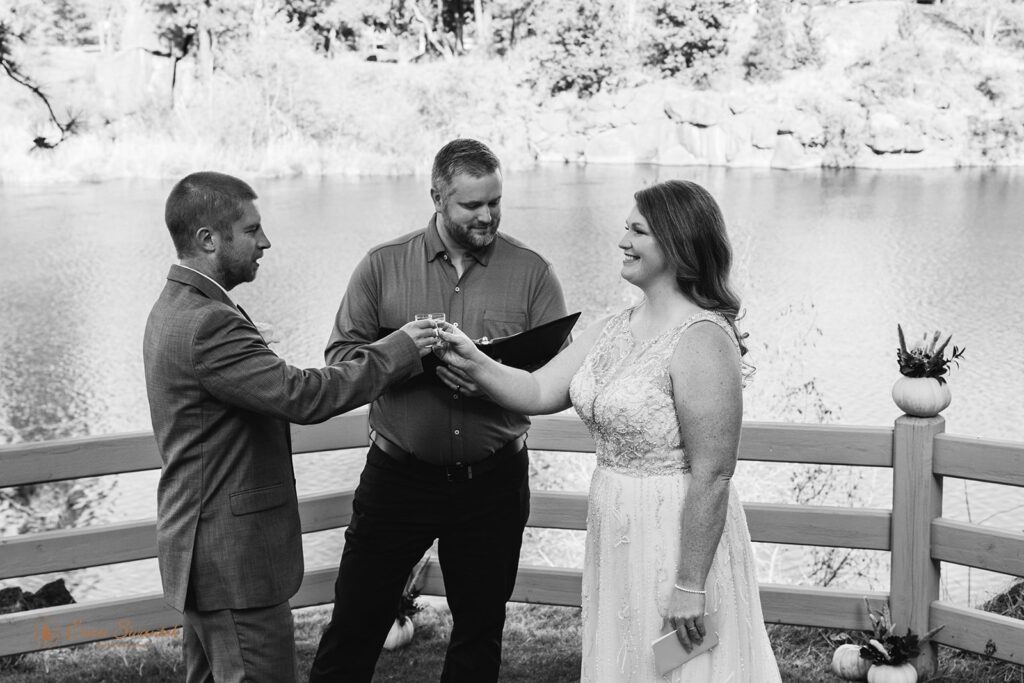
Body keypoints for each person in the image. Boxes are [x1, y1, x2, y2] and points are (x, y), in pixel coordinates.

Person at [436, 179, 781, 681]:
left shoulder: (702, 338)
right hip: (617, 531)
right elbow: (535, 391)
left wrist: (691, 584)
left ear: (677, 243)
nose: (622, 241)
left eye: (637, 231)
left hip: (677, 538)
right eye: (626, 228)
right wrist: (472, 357)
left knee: (682, 666)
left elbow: (714, 473)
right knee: (630, 662)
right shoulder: (613, 327)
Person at [143, 171, 439, 683]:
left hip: (202, 552)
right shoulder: (209, 323)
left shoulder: (175, 307)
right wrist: (400, 349)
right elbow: (304, 395)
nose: (265, 241)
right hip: (234, 562)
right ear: (209, 239)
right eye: (251, 229)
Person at [308, 138, 568, 682]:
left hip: (492, 482)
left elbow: (554, 377)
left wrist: (489, 379)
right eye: (472, 205)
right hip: (398, 478)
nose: (488, 215)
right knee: (355, 624)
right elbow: (338, 361)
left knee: (479, 633)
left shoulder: (533, 272)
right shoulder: (381, 267)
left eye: (495, 201)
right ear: (437, 197)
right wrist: (401, 355)